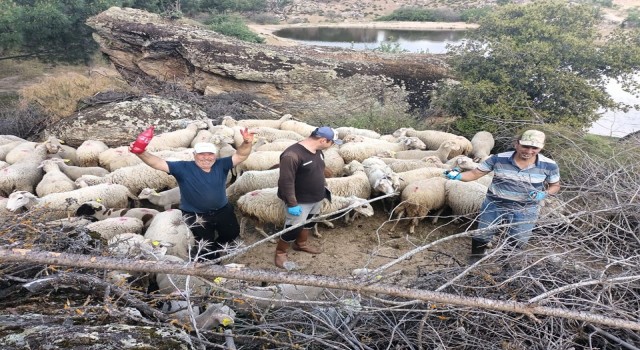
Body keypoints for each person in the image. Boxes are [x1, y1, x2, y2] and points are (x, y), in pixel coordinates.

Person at [131, 127, 254, 261]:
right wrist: (141, 153)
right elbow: (157, 163)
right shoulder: (183, 168)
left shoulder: (221, 164)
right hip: (195, 215)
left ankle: (217, 248)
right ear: (195, 154)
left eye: (210, 154)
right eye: (202, 154)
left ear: (215, 155)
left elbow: (241, 155)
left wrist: (246, 143)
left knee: (232, 233)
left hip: (222, 211)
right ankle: (210, 262)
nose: (206, 158)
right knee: (204, 243)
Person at [444, 129, 560, 264]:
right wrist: (458, 176)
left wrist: (544, 193)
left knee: (519, 238)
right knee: (483, 232)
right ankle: (476, 257)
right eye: (525, 146)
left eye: (534, 148)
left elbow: (555, 185)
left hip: (526, 208)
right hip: (494, 204)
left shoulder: (550, 165)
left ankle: (508, 262)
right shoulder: (498, 158)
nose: (529, 151)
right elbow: (475, 174)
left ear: (541, 147)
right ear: (517, 144)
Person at [275, 126, 343, 269]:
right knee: (292, 227)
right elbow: (285, 181)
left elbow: (319, 169)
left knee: (310, 222)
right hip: (300, 200)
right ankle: (280, 253)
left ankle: (301, 244)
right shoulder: (292, 155)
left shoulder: (318, 151)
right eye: (332, 143)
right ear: (323, 140)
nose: (332, 146)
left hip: (317, 197)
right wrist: (292, 204)